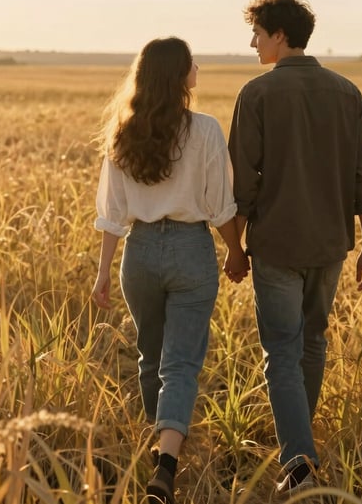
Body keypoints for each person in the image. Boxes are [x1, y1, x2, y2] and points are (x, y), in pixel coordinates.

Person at [224, 0, 362, 496]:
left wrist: (235, 245)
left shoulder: (258, 94)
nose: (252, 43)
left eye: (257, 33)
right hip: (331, 243)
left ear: (279, 35)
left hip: (276, 243)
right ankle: (301, 450)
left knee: (281, 350)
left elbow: (241, 183)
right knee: (311, 343)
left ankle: (298, 461)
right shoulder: (347, 92)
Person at [91, 37, 249, 503]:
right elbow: (221, 206)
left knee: (150, 358)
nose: (198, 67)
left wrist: (103, 273)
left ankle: (156, 446)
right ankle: (167, 463)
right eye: (191, 63)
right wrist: (237, 252)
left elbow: (112, 213)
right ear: (179, 76)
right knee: (180, 365)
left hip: (137, 254)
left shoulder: (123, 132)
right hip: (190, 251)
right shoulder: (204, 130)